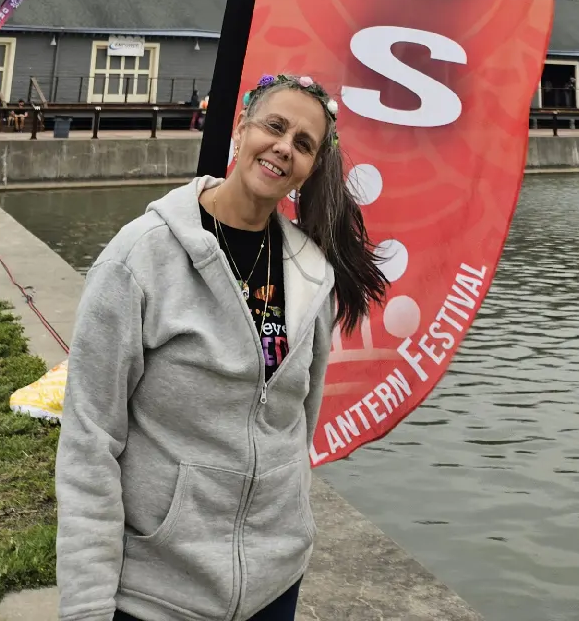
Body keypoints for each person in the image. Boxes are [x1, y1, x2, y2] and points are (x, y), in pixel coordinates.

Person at [57, 70, 389, 621]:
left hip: (274, 582)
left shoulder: (311, 273)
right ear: (241, 129)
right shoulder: (141, 258)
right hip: (157, 592)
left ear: (311, 167)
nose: (283, 148)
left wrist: (289, 525)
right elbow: (89, 441)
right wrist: (88, 607)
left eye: (303, 144)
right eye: (274, 127)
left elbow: (297, 422)